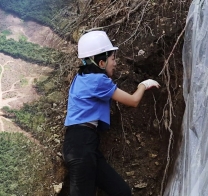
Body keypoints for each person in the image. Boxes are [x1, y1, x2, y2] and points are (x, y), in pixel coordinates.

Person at [63, 31, 160, 196]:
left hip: (84, 145)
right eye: (113, 59)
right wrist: (144, 85)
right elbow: (133, 101)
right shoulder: (99, 81)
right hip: (82, 146)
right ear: (101, 62)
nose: (115, 63)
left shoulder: (80, 78)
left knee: (121, 191)